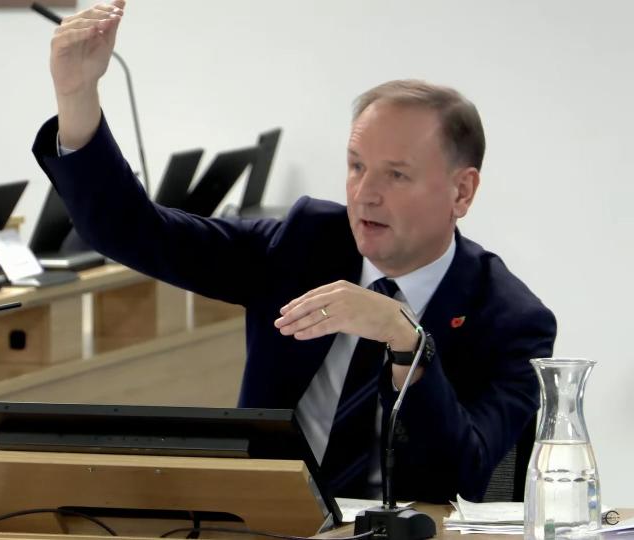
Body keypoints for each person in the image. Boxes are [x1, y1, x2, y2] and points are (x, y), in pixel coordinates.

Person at [31, 1, 556, 503]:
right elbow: (134, 231)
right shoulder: (304, 245)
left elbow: (465, 472)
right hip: (272, 521)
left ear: (461, 192)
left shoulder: (512, 319)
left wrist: (405, 340)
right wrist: (77, 96)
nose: (364, 193)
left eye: (396, 175)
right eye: (356, 166)